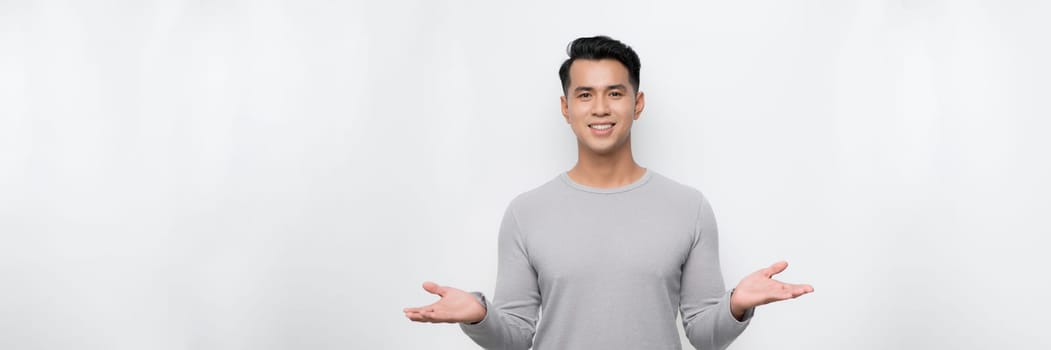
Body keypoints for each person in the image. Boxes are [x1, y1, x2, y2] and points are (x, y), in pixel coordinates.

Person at [403, 35, 814, 350]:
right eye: (585, 94)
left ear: (637, 104)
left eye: (615, 93)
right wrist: (479, 316)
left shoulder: (690, 208)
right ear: (566, 108)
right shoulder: (525, 213)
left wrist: (736, 304)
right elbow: (514, 337)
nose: (600, 108)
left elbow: (704, 335)